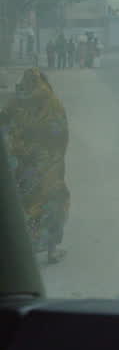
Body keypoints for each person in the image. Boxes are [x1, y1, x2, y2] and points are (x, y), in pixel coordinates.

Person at [0, 67, 71, 264]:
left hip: (22, 168)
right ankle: (51, 251)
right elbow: (61, 134)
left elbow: (2, 126)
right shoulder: (52, 103)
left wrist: (14, 150)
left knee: (24, 207)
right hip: (48, 169)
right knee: (52, 204)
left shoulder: (15, 103)